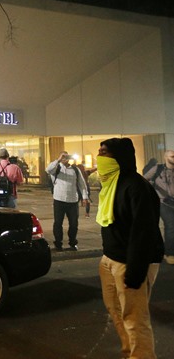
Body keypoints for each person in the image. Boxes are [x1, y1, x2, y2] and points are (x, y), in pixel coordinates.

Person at [96, 137, 164, 359]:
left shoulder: (136, 186)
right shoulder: (111, 184)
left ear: (119, 157)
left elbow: (144, 232)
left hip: (130, 262)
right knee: (116, 312)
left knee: (135, 319)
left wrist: (135, 271)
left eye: (104, 152)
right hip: (110, 260)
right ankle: (130, 353)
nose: (99, 157)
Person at [46, 152, 89, 251]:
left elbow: (82, 184)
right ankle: (58, 243)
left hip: (73, 200)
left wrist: (85, 197)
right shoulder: (56, 168)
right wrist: (58, 159)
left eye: (66, 156)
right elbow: (48, 170)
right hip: (59, 200)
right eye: (63, 156)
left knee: (74, 223)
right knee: (58, 223)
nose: (65, 158)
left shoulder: (75, 169)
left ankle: (73, 242)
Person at [144, 149, 174, 264]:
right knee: (171, 224)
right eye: (172, 156)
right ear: (166, 157)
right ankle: (170, 253)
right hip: (162, 202)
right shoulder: (157, 169)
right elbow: (143, 180)